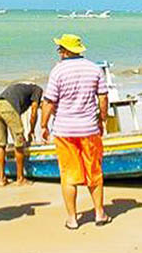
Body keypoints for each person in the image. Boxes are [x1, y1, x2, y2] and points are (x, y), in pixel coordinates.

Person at [40, 33, 110, 229]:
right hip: (89, 128)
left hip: (64, 130)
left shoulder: (58, 71)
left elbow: (49, 100)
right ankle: (99, 213)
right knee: (94, 172)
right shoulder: (94, 69)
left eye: (60, 48)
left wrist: (43, 125)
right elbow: (103, 98)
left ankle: (72, 218)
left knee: (69, 175)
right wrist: (102, 119)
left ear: (66, 51)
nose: (59, 52)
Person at [0, 82, 43, 186]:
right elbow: (34, 113)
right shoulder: (38, 90)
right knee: (19, 143)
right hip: (9, 107)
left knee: (1, 144)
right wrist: (32, 131)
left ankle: (2, 178)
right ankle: (20, 178)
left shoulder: (23, 89)